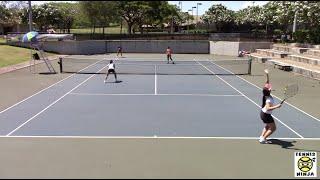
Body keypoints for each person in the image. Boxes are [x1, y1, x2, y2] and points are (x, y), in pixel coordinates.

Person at [259, 69, 282, 144]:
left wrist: (267, 74)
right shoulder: (268, 99)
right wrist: (277, 106)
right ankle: (264, 139)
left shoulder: (265, 93)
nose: (270, 87)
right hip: (266, 114)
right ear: (269, 91)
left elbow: (267, 82)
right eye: (270, 88)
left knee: (268, 126)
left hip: (263, 113)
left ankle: (261, 137)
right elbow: (268, 108)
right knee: (273, 128)